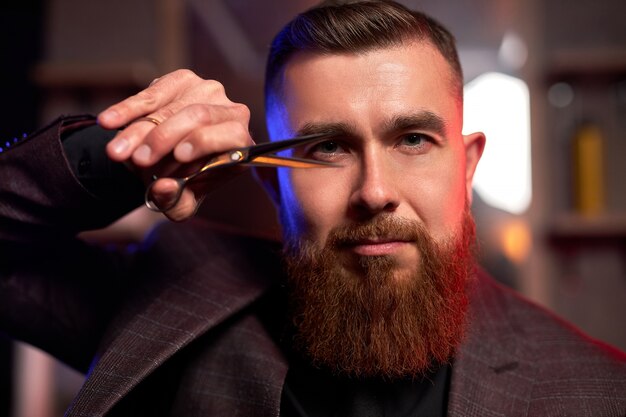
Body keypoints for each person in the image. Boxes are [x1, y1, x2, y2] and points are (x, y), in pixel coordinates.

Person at [1, 1, 625, 416]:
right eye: (328, 147)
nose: (375, 191)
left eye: (412, 139)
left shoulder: (596, 390)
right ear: (274, 187)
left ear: (465, 169)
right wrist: (119, 153)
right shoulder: (173, 295)